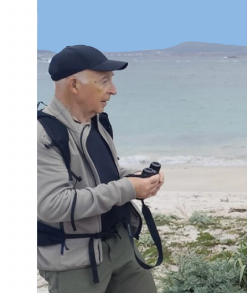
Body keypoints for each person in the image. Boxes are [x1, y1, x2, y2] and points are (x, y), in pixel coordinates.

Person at [38, 45, 164, 292]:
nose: (113, 90)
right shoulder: (41, 136)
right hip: (74, 261)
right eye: (104, 81)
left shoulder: (98, 121)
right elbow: (53, 205)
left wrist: (134, 178)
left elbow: (103, 175)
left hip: (120, 244)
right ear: (74, 86)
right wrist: (127, 188)